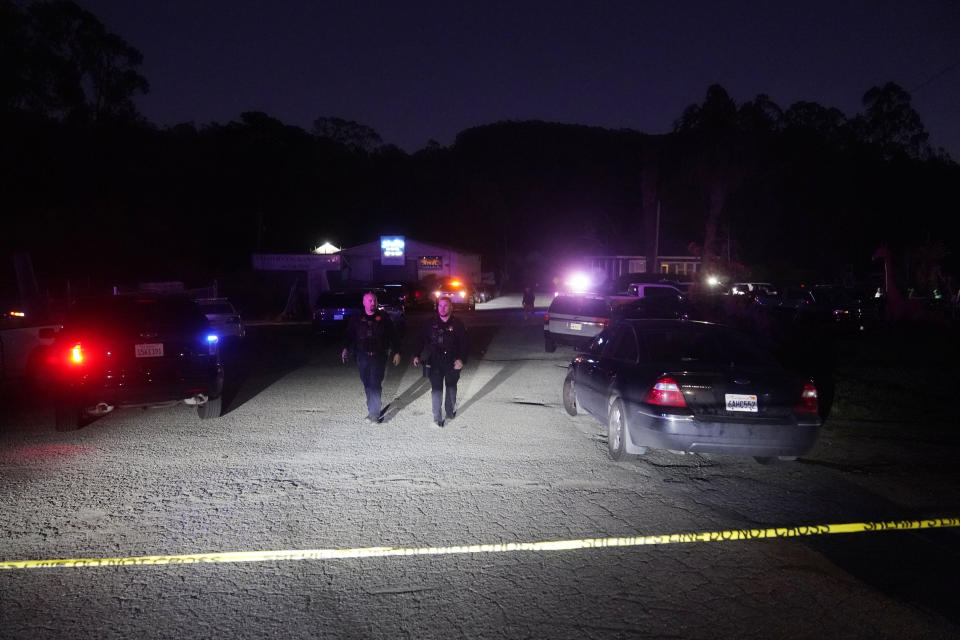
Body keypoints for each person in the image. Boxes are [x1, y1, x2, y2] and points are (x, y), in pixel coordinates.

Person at [341, 291, 401, 423]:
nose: (372, 303)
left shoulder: (383, 317)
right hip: (362, 357)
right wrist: (345, 348)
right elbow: (349, 335)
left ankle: (374, 413)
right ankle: (372, 409)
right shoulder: (357, 318)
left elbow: (393, 335)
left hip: (378, 356)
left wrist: (397, 351)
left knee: (375, 384)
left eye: (374, 300)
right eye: (369, 300)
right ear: (364, 303)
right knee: (367, 383)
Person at [413, 296, 468, 427]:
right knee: (436, 390)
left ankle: (449, 411)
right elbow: (420, 340)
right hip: (435, 362)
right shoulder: (430, 323)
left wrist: (461, 359)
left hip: (452, 362)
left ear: (451, 307)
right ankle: (437, 417)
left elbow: (465, 344)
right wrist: (416, 355)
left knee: (451, 388)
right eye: (440, 306)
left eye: (445, 306)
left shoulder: (458, 324)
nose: (442, 308)